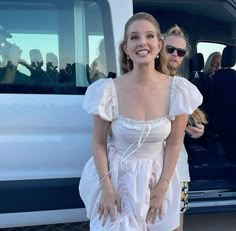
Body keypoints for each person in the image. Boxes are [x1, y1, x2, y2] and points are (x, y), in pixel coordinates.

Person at [79, 12, 203, 230]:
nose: (142, 42)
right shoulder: (107, 90)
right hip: (116, 181)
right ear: (126, 47)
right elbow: (98, 142)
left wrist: (162, 187)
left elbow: (174, 143)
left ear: (159, 44)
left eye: (149, 36)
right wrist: (106, 188)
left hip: (158, 179)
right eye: (134, 37)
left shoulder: (179, 90)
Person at [163, 25, 207, 231]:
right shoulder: (145, 82)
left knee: (175, 226)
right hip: (148, 166)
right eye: (169, 49)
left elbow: (194, 121)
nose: (174, 55)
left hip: (178, 168)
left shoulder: (183, 86)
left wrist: (197, 131)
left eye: (180, 52)